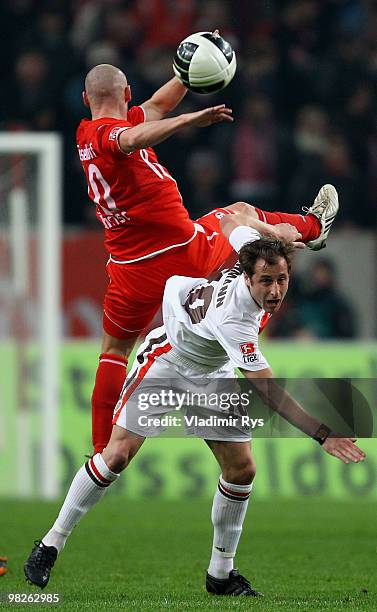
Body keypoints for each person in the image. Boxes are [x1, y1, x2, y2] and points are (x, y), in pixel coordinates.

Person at [24, 215, 365, 596]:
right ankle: (50, 544)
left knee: (241, 470)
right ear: (248, 278)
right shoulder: (236, 320)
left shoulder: (248, 252)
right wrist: (323, 435)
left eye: (281, 280)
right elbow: (268, 392)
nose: (274, 291)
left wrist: (276, 232)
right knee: (116, 455)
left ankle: (221, 574)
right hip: (169, 360)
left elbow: (234, 218)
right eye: (265, 281)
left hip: (212, 371)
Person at [77, 63, 339, 455]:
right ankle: (310, 228)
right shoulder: (109, 135)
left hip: (128, 266)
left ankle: (100, 448)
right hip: (180, 250)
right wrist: (190, 120)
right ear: (127, 91)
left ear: (86, 99)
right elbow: (131, 138)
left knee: (114, 351)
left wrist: (188, 71)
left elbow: (156, 107)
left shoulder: (85, 131)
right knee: (238, 212)